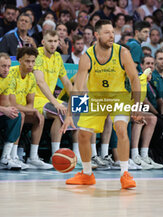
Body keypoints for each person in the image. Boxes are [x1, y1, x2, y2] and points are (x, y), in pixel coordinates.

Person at [61, 19, 142, 189]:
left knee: (121, 129)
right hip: (96, 99)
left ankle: (125, 174)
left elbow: (134, 78)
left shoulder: (123, 53)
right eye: (107, 32)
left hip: (118, 97)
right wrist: (70, 115)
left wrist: (137, 105)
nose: (111, 35)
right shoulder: (87, 56)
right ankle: (87, 174)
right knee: (83, 134)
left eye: (112, 32)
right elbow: (79, 87)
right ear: (97, 35)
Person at [8, 47, 53, 169]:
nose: (30, 64)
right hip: (4, 109)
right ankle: (13, 156)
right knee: (20, 115)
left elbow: (30, 103)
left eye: (33, 61)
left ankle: (33, 157)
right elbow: (11, 104)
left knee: (39, 118)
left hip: (20, 109)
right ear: (19, 60)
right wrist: (30, 110)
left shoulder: (32, 77)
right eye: (27, 61)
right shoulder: (11, 74)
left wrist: (32, 111)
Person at [33, 30, 74, 158]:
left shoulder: (57, 57)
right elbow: (40, 82)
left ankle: (78, 154)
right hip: (35, 98)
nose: (53, 44)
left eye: (55, 41)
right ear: (43, 42)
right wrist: (55, 102)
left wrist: (78, 100)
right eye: (50, 41)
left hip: (49, 99)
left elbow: (66, 82)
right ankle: (55, 155)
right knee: (60, 112)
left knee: (78, 110)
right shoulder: (37, 55)